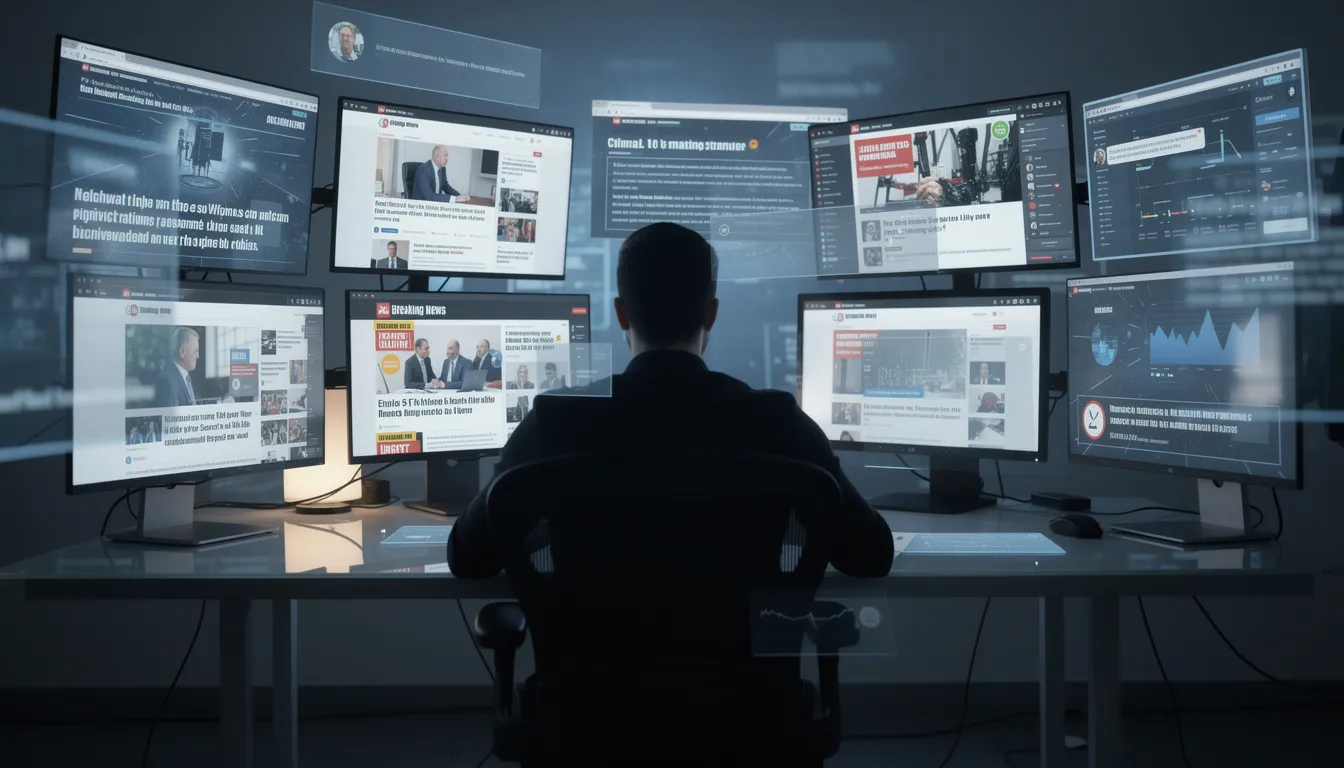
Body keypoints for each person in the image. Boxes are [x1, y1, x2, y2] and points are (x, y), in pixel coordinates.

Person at [447, 222, 894, 579]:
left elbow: (469, 557)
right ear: (711, 314)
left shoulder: (556, 419)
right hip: (741, 688)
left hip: (589, 689)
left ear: (621, 312)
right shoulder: (777, 420)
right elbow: (870, 555)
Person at [153, 327, 201, 408]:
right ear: (182, 351)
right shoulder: (166, 381)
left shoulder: (187, 378)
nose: (198, 356)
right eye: (195, 351)